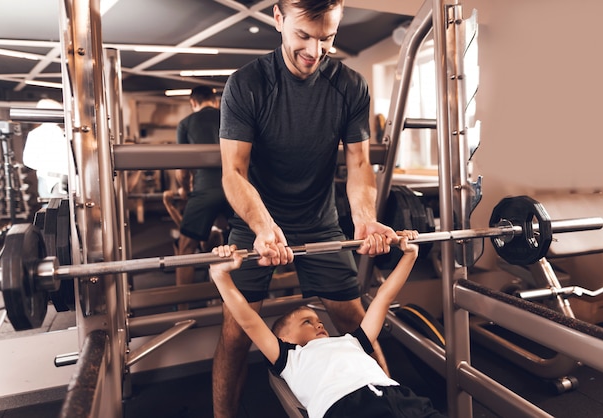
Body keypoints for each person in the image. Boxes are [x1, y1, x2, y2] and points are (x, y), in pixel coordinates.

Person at [215, 0, 399, 415]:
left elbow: (357, 163)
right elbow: (234, 172)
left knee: (358, 324)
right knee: (234, 336)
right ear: (278, 19)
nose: (315, 51)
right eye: (303, 36)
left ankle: (391, 400)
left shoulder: (350, 86)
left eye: (327, 38)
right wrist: (263, 225)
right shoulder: (247, 84)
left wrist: (365, 219)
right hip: (255, 221)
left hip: (319, 222)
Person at [209, 231, 446, 418]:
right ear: (285, 339)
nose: (319, 324)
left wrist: (410, 255)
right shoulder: (289, 358)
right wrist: (221, 276)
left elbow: (383, 298)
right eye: (307, 321)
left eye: (318, 320)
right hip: (345, 408)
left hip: (400, 397)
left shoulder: (351, 341)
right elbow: (249, 321)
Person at [174, 86, 231, 310]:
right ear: (215, 100)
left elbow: (182, 167)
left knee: (186, 247)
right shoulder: (230, 115)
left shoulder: (186, 123)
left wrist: (185, 190)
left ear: (192, 102)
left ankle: (181, 308)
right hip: (235, 189)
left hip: (204, 190)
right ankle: (231, 302)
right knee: (236, 244)